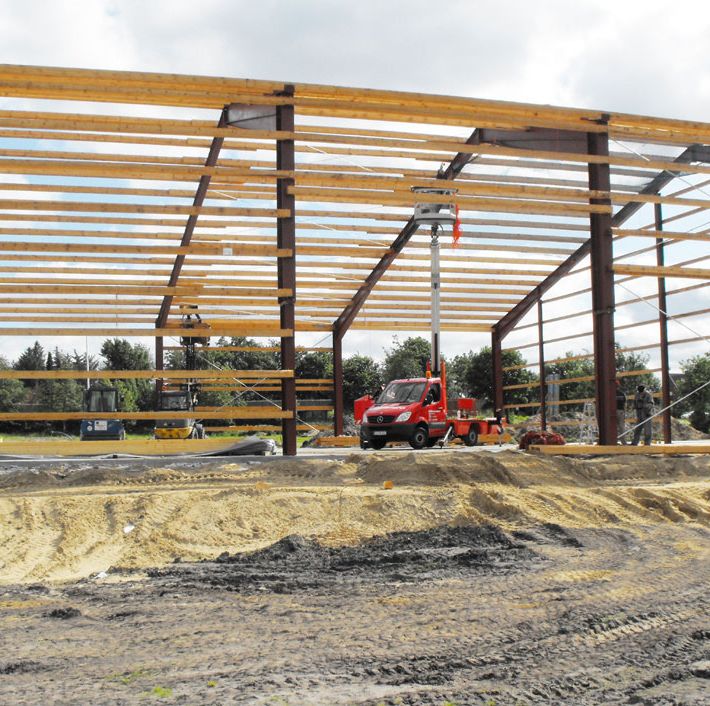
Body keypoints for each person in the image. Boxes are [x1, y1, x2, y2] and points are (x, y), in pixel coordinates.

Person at [615, 380, 627, 444]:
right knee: (621, 427)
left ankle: (614, 441)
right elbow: (625, 403)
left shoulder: (610, 393)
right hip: (621, 411)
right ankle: (623, 442)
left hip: (612, 412)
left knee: (614, 426)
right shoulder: (622, 393)